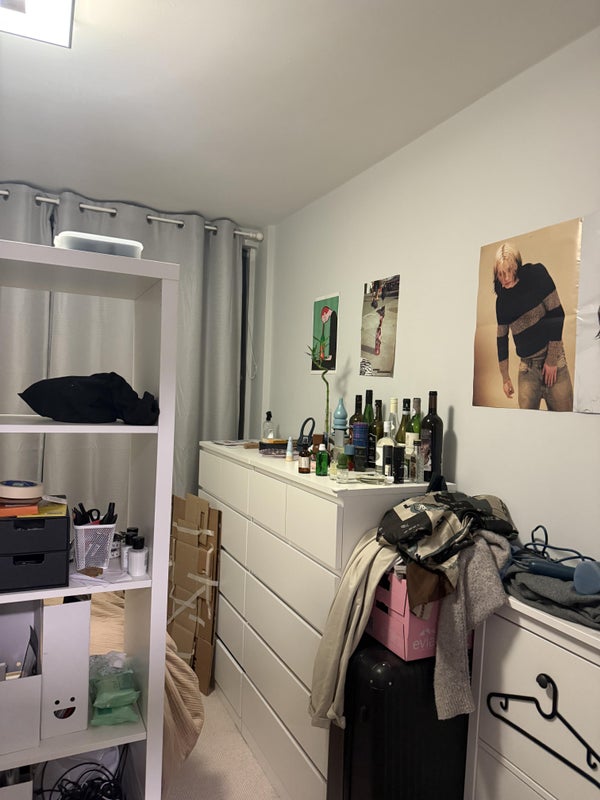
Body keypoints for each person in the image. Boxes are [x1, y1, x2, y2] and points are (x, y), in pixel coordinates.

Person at [494, 242, 573, 411]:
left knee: (566, 419)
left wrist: (551, 360)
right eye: (501, 274)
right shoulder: (501, 301)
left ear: (517, 266)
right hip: (527, 368)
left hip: (554, 362)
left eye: (509, 271)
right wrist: (505, 378)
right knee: (526, 423)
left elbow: (557, 314)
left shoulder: (537, 275)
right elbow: (501, 339)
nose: (505, 278)